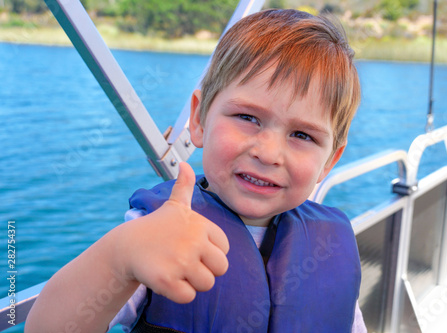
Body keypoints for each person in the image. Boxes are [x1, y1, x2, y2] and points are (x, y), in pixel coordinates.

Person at [25, 8, 366, 333]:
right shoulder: (158, 232)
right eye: (248, 118)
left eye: (302, 135)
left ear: (330, 161)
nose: (268, 153)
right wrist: (119, 257)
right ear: (199, 119)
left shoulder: (330, 250)